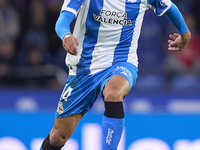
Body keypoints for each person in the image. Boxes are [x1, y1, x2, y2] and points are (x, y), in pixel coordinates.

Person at [40, 0, 191, 149]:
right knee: (58, 137)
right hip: (84, 67)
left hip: (122, 61)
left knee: (113, 92)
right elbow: (63, 20)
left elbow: (169, 6)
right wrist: (66, 35)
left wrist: (185, 33)